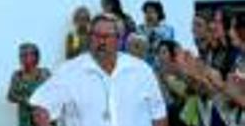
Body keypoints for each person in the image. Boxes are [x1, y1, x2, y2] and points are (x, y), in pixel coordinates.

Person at [30, 13, 168, 126]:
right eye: (96, 36)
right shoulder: (69, 71)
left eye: (107, 36)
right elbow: (41, 106)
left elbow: (159, 116)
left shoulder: (141, 71)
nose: (101, 41)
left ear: (119, 40)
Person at [7, 43, 50, 126]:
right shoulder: (17, 75)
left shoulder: (44, 73)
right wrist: (26, 100)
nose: (24, 58)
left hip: (42, 116)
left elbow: (54, 93)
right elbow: (10, 96)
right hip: (25, 117)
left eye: (27, 55)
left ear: (36, 56)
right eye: (22, 55)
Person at [139, 0, 175, 65]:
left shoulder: (167, 30)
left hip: (161, 65)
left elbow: (167, 44)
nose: (148, 15)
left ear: (158, 14)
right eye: (146, 12)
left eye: (151, 12)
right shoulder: (139, 29)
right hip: (143, 65)